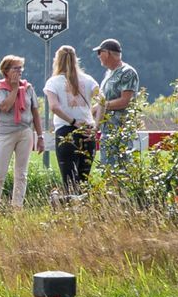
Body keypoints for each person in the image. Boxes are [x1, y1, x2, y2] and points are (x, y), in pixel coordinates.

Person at [0, 55, 44, 209]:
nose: (19, 71)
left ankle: (17, 208)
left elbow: (35, 112)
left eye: (21, 68)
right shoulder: (0, 88)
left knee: (21, 174)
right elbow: (5, 107)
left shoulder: (28, 88)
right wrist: (13, 89)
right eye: (15, 68)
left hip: (25, 132)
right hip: (6, 133)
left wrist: (40, 136)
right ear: (6, 71)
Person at [43, 44, 100, 191]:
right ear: (76, 60)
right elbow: (103, 101)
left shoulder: (53, 82)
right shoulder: (88, 80)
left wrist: (73, 122)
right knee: (83, 180)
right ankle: (83, 208)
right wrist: (95, 125)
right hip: (88, 132)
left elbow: (54, 107)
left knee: (69, 181)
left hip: (66, 131)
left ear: (57, 61)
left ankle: (71, 208)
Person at [92, 38, 140, 168]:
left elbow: (126, 101)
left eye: (99, 53)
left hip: (120, 132)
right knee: (107, 170)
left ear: (107, 53)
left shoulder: (127, 72)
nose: (98, 57)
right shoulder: (108, 73)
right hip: (107, 132)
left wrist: (102, 105)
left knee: (120, 170)